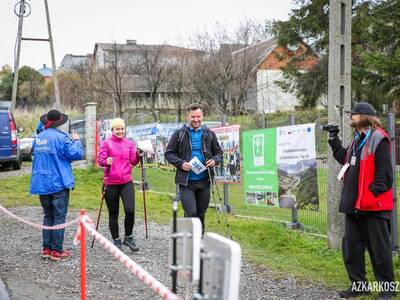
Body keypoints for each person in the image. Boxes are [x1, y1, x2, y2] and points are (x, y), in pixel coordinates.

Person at [328, 102, 395, 299]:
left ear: (365, 117)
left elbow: (385, 175)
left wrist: (372, 194)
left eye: (353, 114)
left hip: (373, 207)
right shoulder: (357, 139)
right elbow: (344, 159)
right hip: (354, 206)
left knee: (379, 251)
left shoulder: (378, 139)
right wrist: (333, 138)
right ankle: (359, 286)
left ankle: (387, 290)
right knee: (352, 250)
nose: (350, 117)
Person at [30, 109, 84, 261]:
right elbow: (75, 154)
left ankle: (46, 249)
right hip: (58, 183)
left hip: (41, 183)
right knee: (59, 217)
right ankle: (57, 251)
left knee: (48, 217)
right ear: (59, 122)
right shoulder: (62, 137)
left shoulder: (38, 138)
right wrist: (76, 140)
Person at [165, 103, 223, 234]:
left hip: (204, 181)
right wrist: (181, 164)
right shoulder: (179, 134)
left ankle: (199, 242)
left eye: (198, 116)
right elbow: (169, 153)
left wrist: (214, 161)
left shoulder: (209, 134)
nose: (196, 120)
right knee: (191, 213)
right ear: (188, 117)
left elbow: (219, 153)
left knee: (201, 214)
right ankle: (190, 239)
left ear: (202, 116)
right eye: (193, 117)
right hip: (186, 182)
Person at [97, 118, 141, 251]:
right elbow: (100, 161)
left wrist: (139, 156)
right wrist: (106, 161)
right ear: (112, 130)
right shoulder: (106, 143)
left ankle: (128, 237)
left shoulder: (129, 143)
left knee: (130, 210)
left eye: (122, 129)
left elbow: (133, 162)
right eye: (117, 129)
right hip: (110, 182)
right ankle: (116, 240)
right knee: (113, 213)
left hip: (126, 181)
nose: (120, 131)